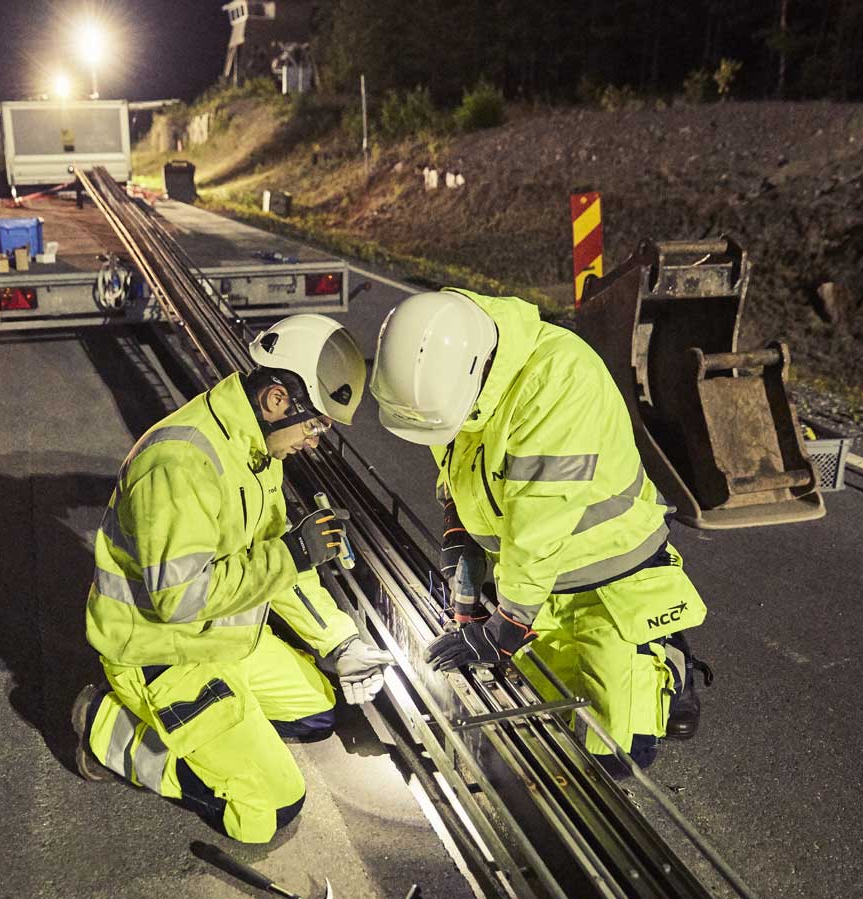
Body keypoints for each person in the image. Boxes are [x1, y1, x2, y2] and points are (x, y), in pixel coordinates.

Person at [72, 314, 394, 842]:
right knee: (270, 809)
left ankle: (220, 725)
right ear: (275, 400)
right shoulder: (181, 463)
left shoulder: (257, 451)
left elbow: (279, 565)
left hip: (222, 640)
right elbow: (180, 599)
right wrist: (291, 553)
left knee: (318, 712)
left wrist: (341, 643)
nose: (316, 440)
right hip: (160, 652)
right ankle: (108, 727)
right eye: (316, 424)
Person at [370, 290, 712, 775]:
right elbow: (458, 462)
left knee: (614, 755)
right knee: (542, 729)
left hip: (611, 579)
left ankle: (670, 659)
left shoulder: (558, 380)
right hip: (537, 583)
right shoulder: (455, 377)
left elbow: (539, 522)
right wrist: (458, 529)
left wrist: (506, 625)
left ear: (475, 371)